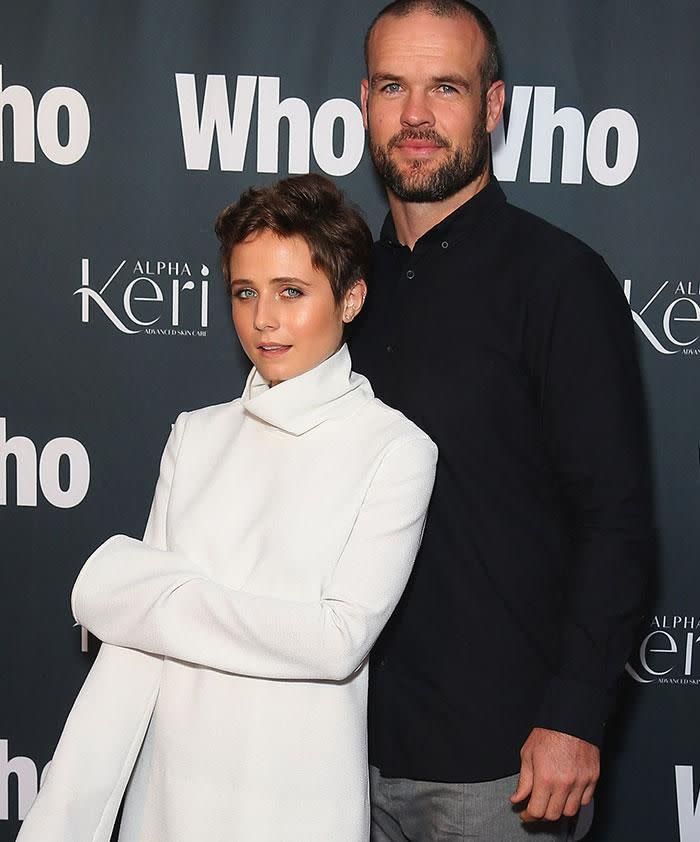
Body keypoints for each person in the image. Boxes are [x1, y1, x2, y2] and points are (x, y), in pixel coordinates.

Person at [16, 174, 437, 842]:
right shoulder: (197, 434)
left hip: (298, 794)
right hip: (169, 792)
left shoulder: (395, 449)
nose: (263, 319)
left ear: (352, 297)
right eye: (246, 293)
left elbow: (335, 642)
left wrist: (138, 594)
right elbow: (132, 649)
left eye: (290, 292)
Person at [350, 2, 653, 840]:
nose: (415, 116)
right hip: (335, 755)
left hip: (504, 770)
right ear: (364, 102)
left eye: (445, 87)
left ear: (492, 106)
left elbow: (616, 522)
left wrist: (575, 716)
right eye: (392, 87)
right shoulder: (339, 289)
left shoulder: (560, 282)